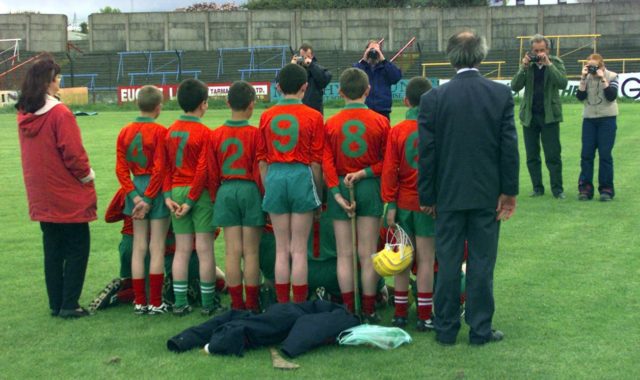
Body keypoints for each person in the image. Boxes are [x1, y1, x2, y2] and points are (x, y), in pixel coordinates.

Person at [418, 30, 519, 345]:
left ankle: (446, 328)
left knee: (447, 262)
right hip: (486, 194)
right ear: (481, 55)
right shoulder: (499, 95)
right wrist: (509, 191)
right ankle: (480, 329)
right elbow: (508, 148)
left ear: (450, 57)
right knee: (481, 263)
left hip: (448, 194)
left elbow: (427, 153)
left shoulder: (433, 98)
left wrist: (428, 195)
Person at [16, 56, 97, 319]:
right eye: (57, 78)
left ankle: (57, 302)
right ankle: (70, 303)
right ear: (48, 83)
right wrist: (87, 176)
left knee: (52, 248)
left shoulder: (24, 114)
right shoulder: (59, 113)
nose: (60, 82)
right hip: (66, 190)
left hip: (41, 192)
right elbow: (73, 153)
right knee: (77, 246)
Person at [188, 81, 264, 312]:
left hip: (226, 189)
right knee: (251, 252)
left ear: (228, 103)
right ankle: (252, 303)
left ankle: (237, 303)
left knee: (232, 251)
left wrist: (214, 196)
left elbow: (210, 171)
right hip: (250, 190)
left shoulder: (215, 134)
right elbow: (260, 169)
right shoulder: (256, 133)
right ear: (252, 105)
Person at [323, 67, 389, 322]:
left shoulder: (331, 124)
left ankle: (350, 309)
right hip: (370, 186)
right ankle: (370, 309)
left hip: (340, 184)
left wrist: (336, 193)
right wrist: (364, 172)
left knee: (344, 253)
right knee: (368, 252)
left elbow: (326, 162)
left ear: (339, 92)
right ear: (368, 91)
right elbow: (387, 161)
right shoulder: (381, 121)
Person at [257, 63, 324, 304]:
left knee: (281, 249)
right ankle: (299, 304)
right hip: (301, 176)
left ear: (277, 88)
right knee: (299, 250)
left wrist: (268, 191)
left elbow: (262, 162)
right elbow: (316, 164)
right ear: (305, 87)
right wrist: (319, 197)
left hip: (275, 176)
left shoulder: (266, 116)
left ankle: (283, 304)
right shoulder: (314, 116)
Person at [164, 79, 224, 317]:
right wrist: (191, 200)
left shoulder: (169, 132)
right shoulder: (205, 133)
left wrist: (168, 196)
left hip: (176, 192)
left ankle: (180, 302)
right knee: (205, 249)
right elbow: (203, 170)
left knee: (182, 249)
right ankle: (208, 302)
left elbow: (165, 167)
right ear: (203, 104)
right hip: (197, 194)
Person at [381, 76, 435, 331]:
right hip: (427, 205)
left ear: (405, 101)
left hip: (402, 204)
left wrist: (390, 203)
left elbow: (390, 169)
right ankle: (425, 316)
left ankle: (400, 313)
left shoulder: (397, 131)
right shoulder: (437, 129)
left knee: (401, 258)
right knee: (426, 260)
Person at [115, 85, 171, 315]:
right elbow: (160, 169)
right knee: (156, 247)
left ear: (137, 104)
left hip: (134, 188)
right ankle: (156, 302)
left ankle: (139, 301)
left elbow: (120, 169)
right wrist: (148, 198)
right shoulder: (161, 132)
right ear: (158, 108)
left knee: (139, 247)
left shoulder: (125, 131)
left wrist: (135, 196)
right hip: (154, 191)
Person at [511, 34, 568, 199]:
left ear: (548, 50)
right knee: (532, 155)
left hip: (549, 115)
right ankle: (537, 188)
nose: (539, 53)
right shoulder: (528, 65)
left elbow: (562, 83)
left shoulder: (556, 63)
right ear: (531, 50)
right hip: (529, 115)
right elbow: (515, 86)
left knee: (553, 155)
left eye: (542, 50)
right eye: (536, 50)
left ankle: (557, 189)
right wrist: (523, 67)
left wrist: (548, 65)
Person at [576, 54, 619, 201]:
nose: (592, 69)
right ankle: (585, 189)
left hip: (607, 119)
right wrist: (583, 77)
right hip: (589, 119)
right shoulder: (586, 77)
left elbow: (611, 96)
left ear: (601, 66)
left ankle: (606, 189)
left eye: (594, 66)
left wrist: (603, 79)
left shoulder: (612, 76)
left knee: (605, 154)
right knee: (586, 154)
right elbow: (580, 97)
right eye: (589, 66)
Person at [353, 40, 402, 119]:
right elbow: (354, 78)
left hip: (382, 111)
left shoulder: (386, 67)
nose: (374, 52)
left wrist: (383, 60)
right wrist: (364, 60)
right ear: (366, 51)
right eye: (371, 49)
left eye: (376, 49)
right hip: (364, 110)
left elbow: (396, 77)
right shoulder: (360, 66)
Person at [291, 43, 332, 115]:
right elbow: (281, 81)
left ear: (312, 56)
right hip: (297, 110)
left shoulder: (318, 68)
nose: (305, 59)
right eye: (302, 57)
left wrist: (311, 65)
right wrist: (291, 66)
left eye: (307, 56)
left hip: (314, 110)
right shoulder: (295, 69)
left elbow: (323, 81)